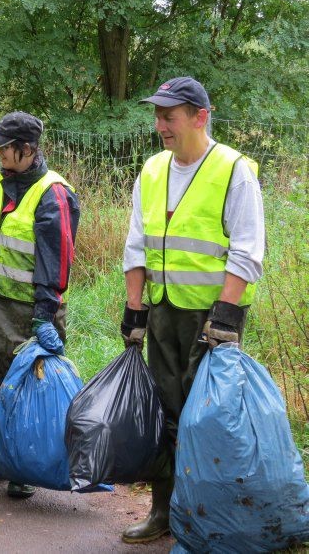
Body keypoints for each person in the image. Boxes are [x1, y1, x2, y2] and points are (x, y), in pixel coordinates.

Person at [119, 77, 264, 543]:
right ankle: (164, 513)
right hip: (162, 313)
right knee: (165, 414)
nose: (160, 124)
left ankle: (206, 520)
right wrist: (134, 310)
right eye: (157, 115)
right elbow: (136, 244)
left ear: (200, 116)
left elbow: (246, 250)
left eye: (170, 115)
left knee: (208, 422)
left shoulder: (233, 169)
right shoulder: (153, 169)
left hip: (209, 319)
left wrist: (223, 319)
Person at [0, 112, 80, 499]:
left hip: (29, 311)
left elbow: (56, 258)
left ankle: (21, 467)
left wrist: (45, 314)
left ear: (27, 149)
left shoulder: (53, 193)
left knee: (24, 390)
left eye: (3, 148)